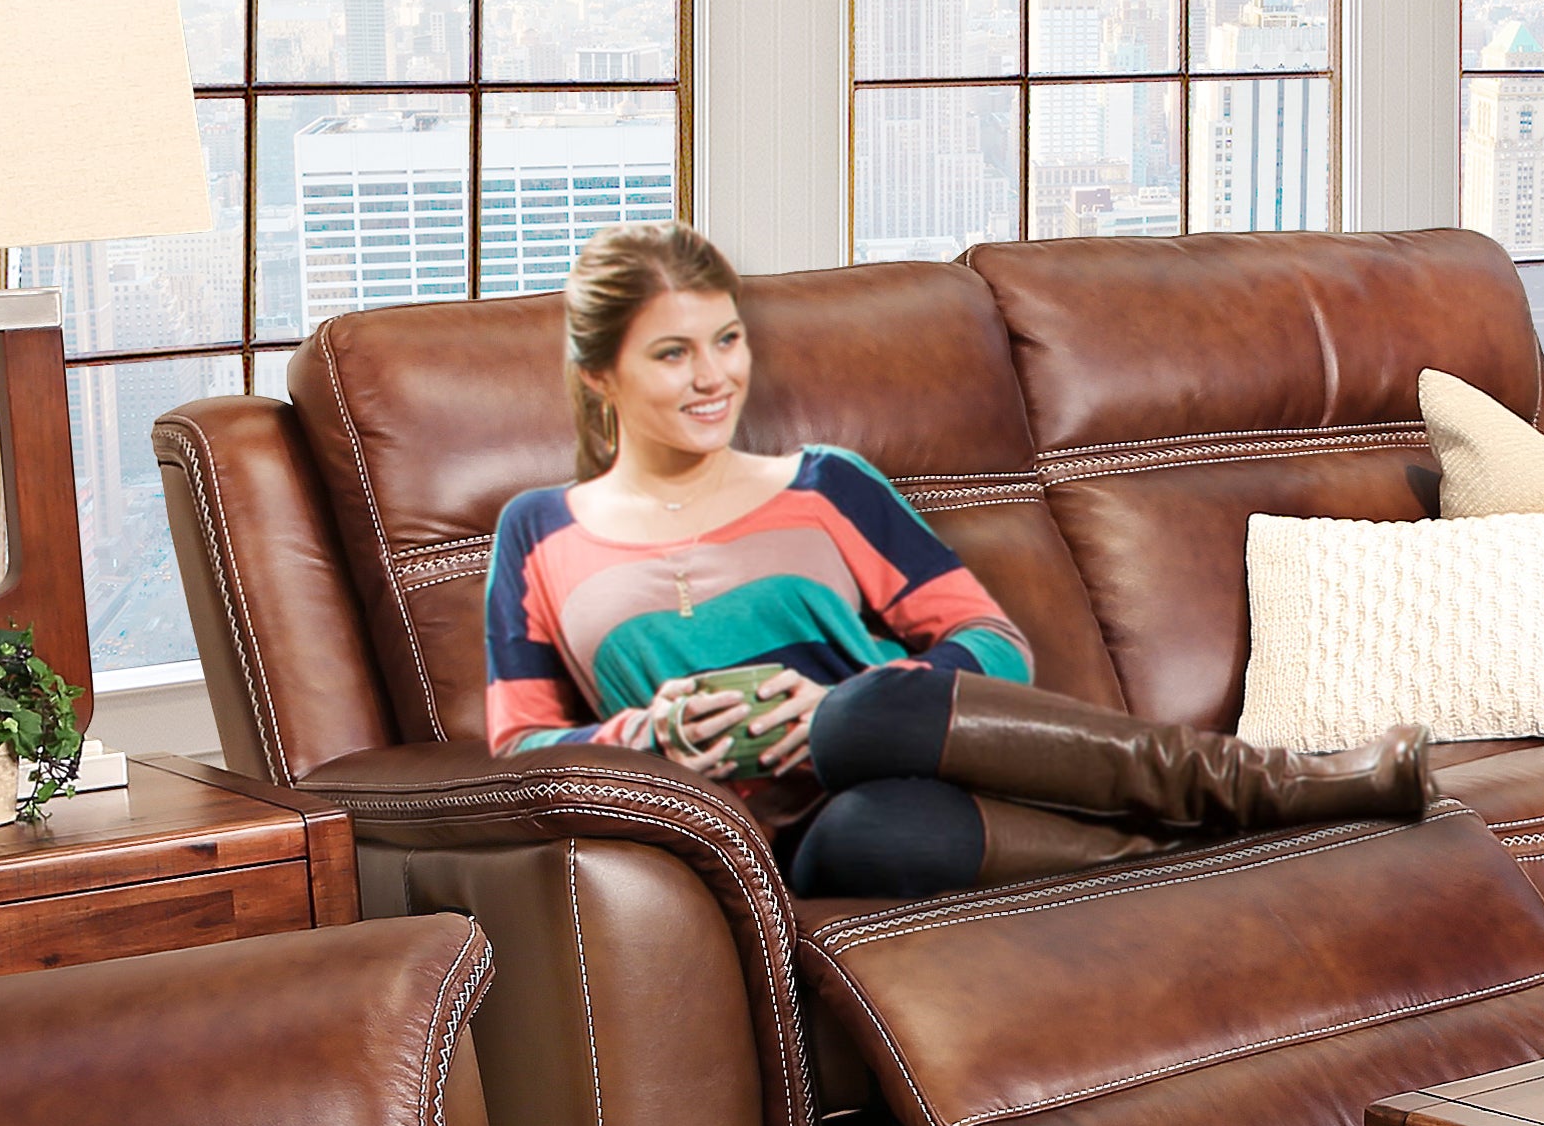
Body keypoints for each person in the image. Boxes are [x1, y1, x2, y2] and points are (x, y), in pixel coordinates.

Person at [483, 220, 1431, 898]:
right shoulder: (537, 533)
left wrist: (828, 710)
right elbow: (516, 751)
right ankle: (1196, 842)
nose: (713, 377)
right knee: (864, 837)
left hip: (901, 750)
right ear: (600, 376)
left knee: (857, 711)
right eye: (673, 354)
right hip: (776, 837)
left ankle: (1266, 787)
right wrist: (643, 739)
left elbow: (992, 648)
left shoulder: (823, 484)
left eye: (728, 340)